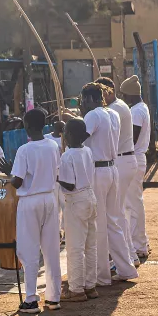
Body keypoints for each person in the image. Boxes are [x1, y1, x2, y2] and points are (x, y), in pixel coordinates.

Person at [80, 83, 139, 286]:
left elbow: (78, 139)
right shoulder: (111, 113)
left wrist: (72, 122)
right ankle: (126, 268)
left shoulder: (92, 115)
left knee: (99, 224)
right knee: (114, 221)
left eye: (82, 100)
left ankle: (101, 276)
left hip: (98, 170)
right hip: (112, 168)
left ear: (88, 99)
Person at [11, 108, 62, 314]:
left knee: (29, 250)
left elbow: (17, 181)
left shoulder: (24, 149)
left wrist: (7, 173)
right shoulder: (52, 145)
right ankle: (54, 297)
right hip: (50, 198)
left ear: (29, 126)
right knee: (51, 249)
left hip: (30, 201)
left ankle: (31, 299)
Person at [95, 76, 139, 269]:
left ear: (109, 91)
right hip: (125, 159)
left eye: (101, 92)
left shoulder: (114, 109)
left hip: (121, 160)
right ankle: (130, 256)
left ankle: (124, 260)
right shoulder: (119, 106)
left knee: (115, 215)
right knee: (118, 213)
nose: (100, 97)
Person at [57, 118, 98, 303]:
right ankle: (90, 285)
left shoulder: (68, 155)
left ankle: (76, 288)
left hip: (76, 200)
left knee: (75, 247)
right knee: (90, 245)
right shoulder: (87, 150)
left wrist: (56, 176)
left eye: (65, 131)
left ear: (71, 135)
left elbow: (70, 184)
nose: (63, 135)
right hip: (90, 196)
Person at [121, 75, 151, 264]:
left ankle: (138, 245)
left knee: (132, 205)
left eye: (124, 96)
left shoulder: (135, 112)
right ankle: (141, 242)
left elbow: (130, 139)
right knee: (135, 203)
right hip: (139, 158)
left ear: (130, 96)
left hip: (134, 157)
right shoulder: (141, 107)